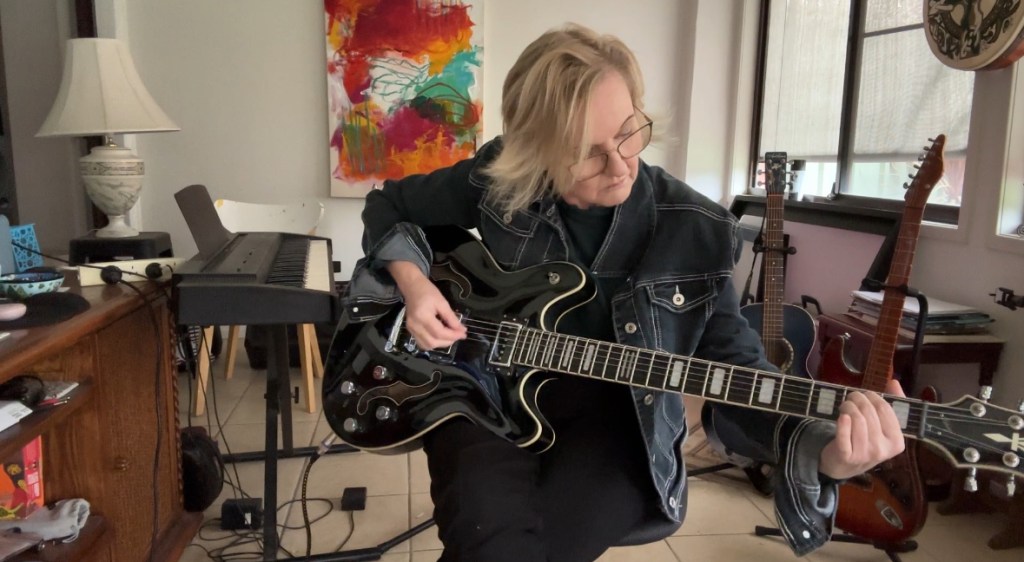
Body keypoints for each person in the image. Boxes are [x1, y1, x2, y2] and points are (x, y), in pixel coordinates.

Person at [345, 23, 906, 562]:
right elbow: (388, 206)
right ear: (534, 151)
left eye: (629, 131)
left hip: (621, 421)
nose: (619, 165)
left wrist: (824, 453)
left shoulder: (697, 230)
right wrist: (416, 285)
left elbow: (739, 375)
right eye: (586, 151)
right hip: (483, 386)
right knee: (486, 533)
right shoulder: (502, 179)